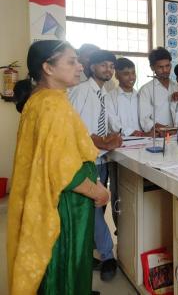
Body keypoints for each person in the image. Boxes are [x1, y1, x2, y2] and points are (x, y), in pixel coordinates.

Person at [8, 40, 109, 295]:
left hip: (54, 198)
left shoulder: (40, 99)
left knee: (54, 262)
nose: (80, 66)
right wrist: (97, 190)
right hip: (65, 203)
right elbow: (61, 169)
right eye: (71, 61)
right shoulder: (53, 105)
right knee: (65, 262)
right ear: (48, 68)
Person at [69, 50, 122, 281]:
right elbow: (73, 127)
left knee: (97, 208)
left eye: (111, 66)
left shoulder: (105, 94)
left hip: (102, 158)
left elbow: (113, 124)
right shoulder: (80, 91)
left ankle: (87, 252)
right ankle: (108, 254)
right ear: (92, 67)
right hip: (84, 159)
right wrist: (97, 139)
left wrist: (113, 136)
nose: (108, 69)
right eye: (104, 65)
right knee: (93, 207)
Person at [138, 47, 178, 133]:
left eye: (167, 66)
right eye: (160, 67)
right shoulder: (146, 90)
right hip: (157, 136)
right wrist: (164, 129)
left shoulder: (175, 86)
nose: (165, 70)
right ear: (152, 68)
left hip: (175, 135)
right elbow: (144, 119)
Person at [106, 57, 144, 136]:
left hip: (144, 139)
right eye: (126, 74)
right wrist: (132, 132)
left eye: (133, 73)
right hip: (121, 142)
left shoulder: (141, 96)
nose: (131, 77)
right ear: (116, 76)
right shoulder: (109, 97)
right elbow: (113, 123)